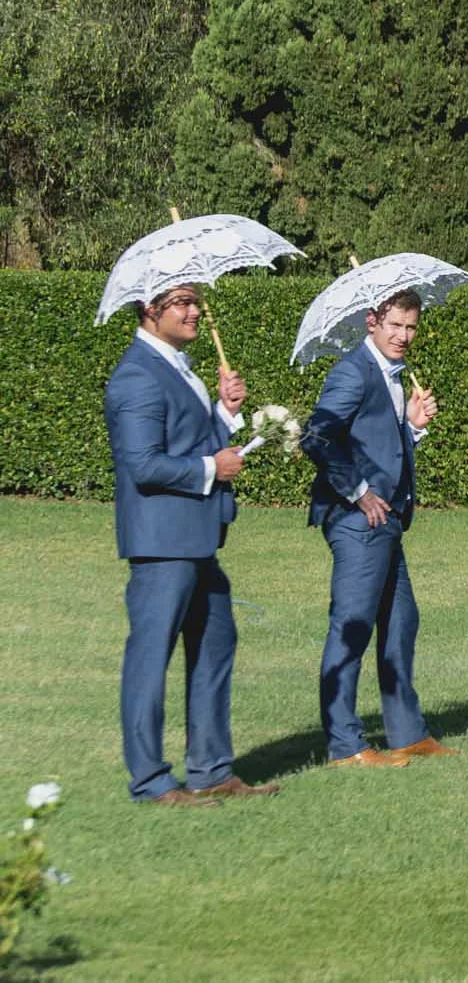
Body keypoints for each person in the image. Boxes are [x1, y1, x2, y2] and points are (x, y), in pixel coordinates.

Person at [104, 284, 277, 804]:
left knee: (216, 642)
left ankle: (211, 770)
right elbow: (143, 464)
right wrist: (210, 467)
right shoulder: (136, 376)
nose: (195, 310)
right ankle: (150, 781)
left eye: (195, 301)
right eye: (182, 302)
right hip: (162, 544)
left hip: (198, 540)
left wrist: (224, 412)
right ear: (149, 308)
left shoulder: (178, 366)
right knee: (150, 658)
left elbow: (187, 440)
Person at [302, 289, 451, 769]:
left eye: (411, 326)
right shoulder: (353, 371)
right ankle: (345, 745)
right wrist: (359, 491)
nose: (404, 336)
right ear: (372, 321)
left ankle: (407, 734)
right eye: (395, 325)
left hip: (386, 522)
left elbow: (377, 442)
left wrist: (413, 426)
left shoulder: (390, 373)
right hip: (358, 521)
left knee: (402, 620)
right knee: (352, 627)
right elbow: (316, 436)